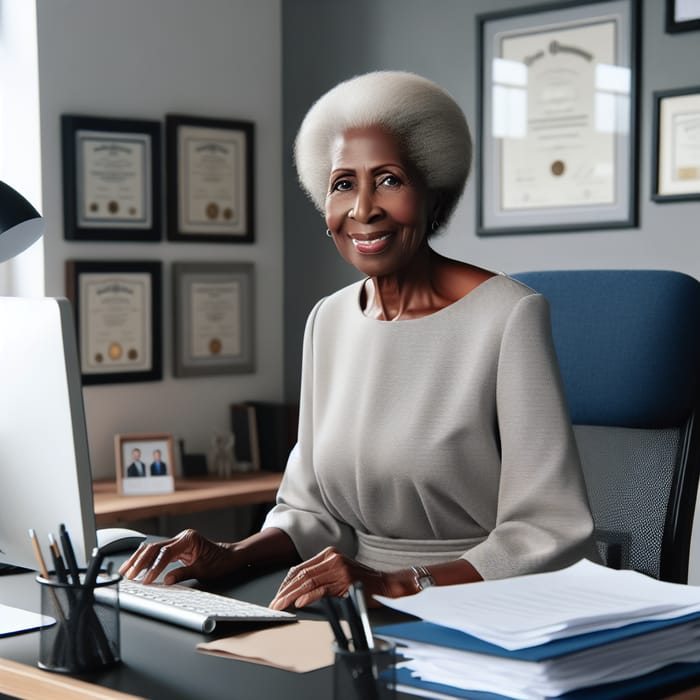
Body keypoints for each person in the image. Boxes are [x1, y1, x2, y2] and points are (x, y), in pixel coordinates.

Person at [120, 71, 597, 609]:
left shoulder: (509, 316)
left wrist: (399, 582)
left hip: (486, 604)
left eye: (389, 179)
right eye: (343, 183)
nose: (363, 208)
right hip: (354, 605)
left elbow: (549, 530)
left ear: (431, 196)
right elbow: (313, 511)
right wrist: (233, 552)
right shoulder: (328, 319)